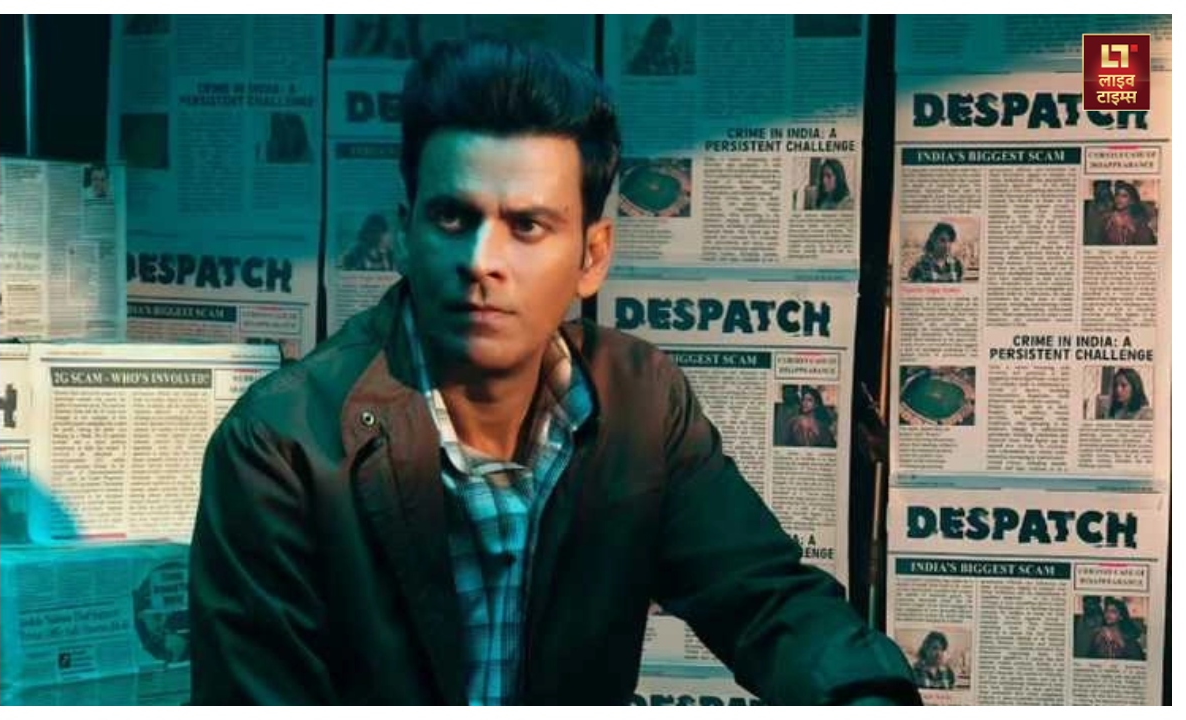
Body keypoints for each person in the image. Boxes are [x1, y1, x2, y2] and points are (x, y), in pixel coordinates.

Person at [189, 38, 920, 706]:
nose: (481, 261)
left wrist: (867, 697)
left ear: (592, 257)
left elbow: (765, 598)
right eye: (452, 218)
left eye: (527, 225)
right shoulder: (283, 446)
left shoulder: (640, 404)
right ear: (405, 236)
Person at [1101, 180, 1156, 245]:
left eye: (1124, 196)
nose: (1119, 198)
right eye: (1117, 195)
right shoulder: (1108, 219)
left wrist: (1130, 227)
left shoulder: (1139, 221)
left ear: (1132, 200)